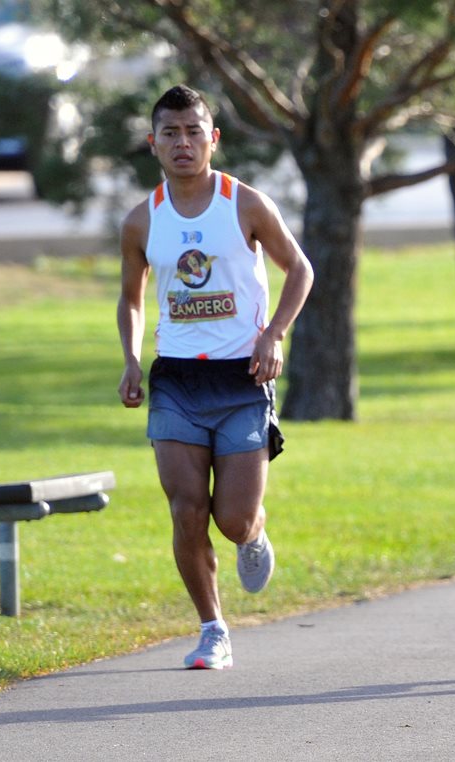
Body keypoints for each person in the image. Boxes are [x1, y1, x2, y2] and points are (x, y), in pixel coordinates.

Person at [117, 84, 314, 670]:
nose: (183, 143)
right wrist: (130, 358)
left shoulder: (245, 204)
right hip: (176, 379)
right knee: (185, 510)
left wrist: (273, 333)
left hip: (242, 379)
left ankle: (254, 535)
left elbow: (299, 268)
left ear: (213, 139)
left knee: (231, 519)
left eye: (193, 132)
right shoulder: (140, 221)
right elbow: (131, 298)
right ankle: (212, 629)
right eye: (171, 133)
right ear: (153, 144)